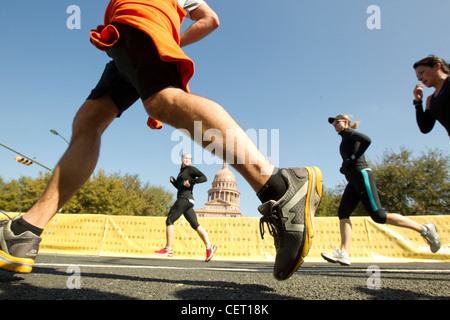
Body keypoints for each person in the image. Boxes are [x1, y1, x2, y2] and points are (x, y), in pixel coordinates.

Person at [0, 0, 323, 281]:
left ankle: (279, 186)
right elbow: (210, 18)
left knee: (161, 100)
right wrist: (170, 40)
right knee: (88, 122)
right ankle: (26, 231)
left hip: (140, 14)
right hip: (126, 39)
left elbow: (210, 20)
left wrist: (164, 39)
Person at [321, 114, 441, 266]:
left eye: (337, 122)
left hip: (362, 175)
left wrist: (352, 158)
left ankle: (424, 229)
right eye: (333, 123)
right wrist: (345, 167)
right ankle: (344, 252)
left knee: (378, 215)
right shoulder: (344, 138)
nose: (335, 125)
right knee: (343, 213)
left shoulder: (348, 133)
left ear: (346, 122)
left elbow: (367, 140)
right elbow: (351, 157)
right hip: (353, 179)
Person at [155, 153, 217, 261]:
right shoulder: (181, 173)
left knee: (169, 220)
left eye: (189, 158)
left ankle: (168, 249)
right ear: (182, 159)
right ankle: (209, 246)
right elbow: (180, 187)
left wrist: (192, 181)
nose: (187, 159)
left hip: (184, 199)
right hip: (187, 200)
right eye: (185, 158)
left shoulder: (190, 169)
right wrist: (174, 182)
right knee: (195, 225)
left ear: (191, 161)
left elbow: (204, 178)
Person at [413, 55, 450, 136]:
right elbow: (425, 127)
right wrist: (418, 102)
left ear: (437, 66)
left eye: (421, 72)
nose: (419, 79)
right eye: (418, 77)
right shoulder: (431, 100)